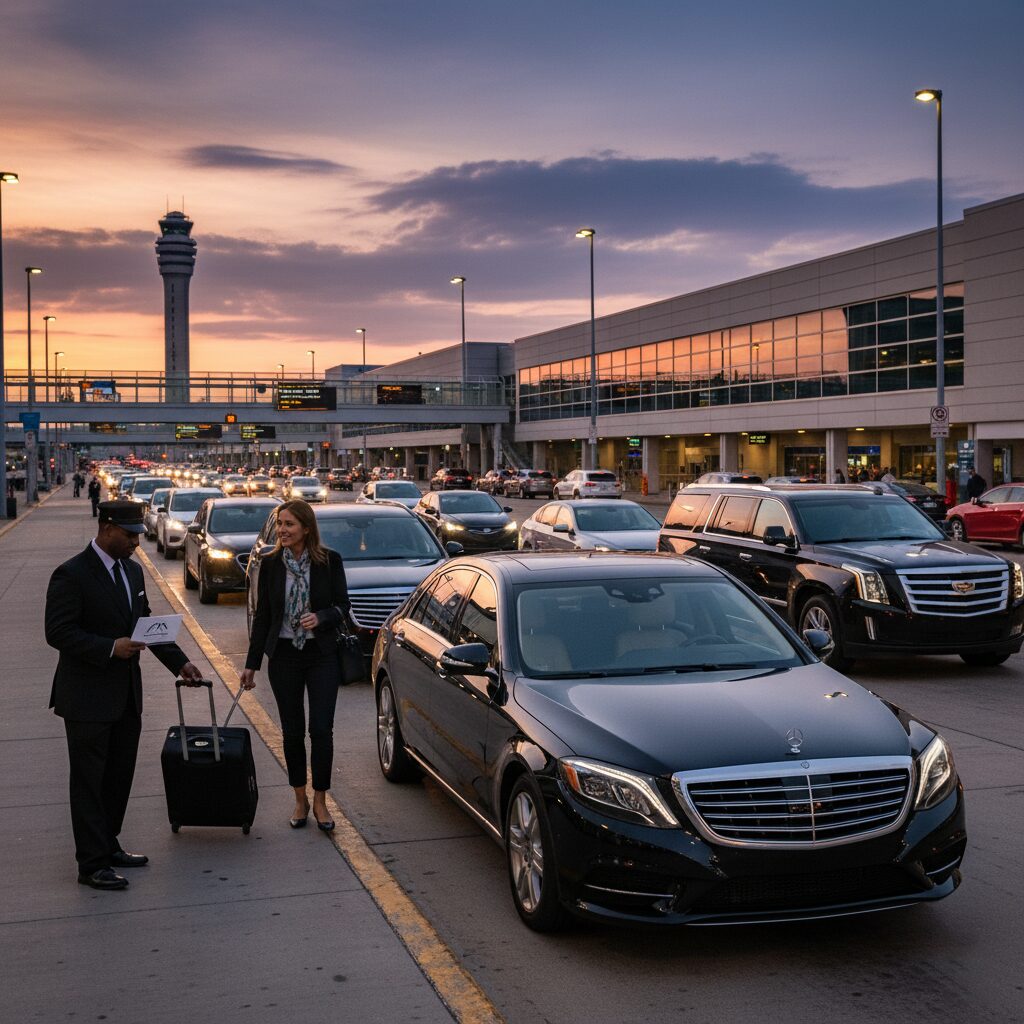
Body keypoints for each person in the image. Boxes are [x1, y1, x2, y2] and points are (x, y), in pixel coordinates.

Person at [44, 500, 204, 891]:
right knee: (89, 783)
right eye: (130, 535)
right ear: (106, 528)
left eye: (137, 535)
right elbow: (58, 632)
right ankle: (91, 864)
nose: (136, 541)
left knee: (118, 777)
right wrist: (108, 648)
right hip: (86, 699)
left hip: (126, 696)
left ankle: (109, 844)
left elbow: (144, 624)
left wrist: (179, 663)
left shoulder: (132, 572)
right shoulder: (71, 574)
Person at [241, 500, 350, 832]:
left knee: (320, 730)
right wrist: (251, 664)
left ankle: (321, 800)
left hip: (321, 655)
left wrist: (321, 617)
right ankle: (300, 798)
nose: (282, 530)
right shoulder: (271, 563)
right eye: (280, 524)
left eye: (289, 524)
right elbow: (262, 618)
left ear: (306, 527)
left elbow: (343, 605)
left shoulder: (329, 561)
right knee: (291, 732)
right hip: (284, 657)